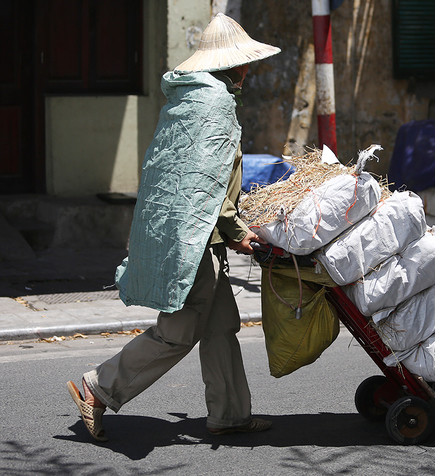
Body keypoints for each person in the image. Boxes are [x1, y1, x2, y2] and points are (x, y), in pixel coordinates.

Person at [66, 13, 280, 442]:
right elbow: (207, 183)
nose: (248, 70)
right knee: (177, 333)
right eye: (245, 63)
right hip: (197, 238)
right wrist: (236, 231)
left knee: (220, 328)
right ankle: (99, 387)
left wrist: (229, 230)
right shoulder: (214, 104)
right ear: (231, 64)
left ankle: (230, 415)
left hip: (200, 234)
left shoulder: (190, 100)